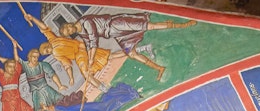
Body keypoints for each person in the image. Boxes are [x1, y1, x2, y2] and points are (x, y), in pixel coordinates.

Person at [62, 13, 196, 80]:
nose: (70, 30)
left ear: (68, 24)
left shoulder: (85, 22)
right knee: (131, 53)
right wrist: (89, 61)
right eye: (69, 33)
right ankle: (159, 68)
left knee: (149, 26)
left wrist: (91, 60)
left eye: (68, 28)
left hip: (116, 24)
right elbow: (88, 44)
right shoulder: (80, 32)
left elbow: (93, 40)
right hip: (116, 35)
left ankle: (182, 25)